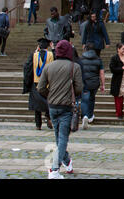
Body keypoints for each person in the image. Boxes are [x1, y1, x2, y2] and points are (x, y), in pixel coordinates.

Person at [37, 40, 83, 179]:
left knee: (59, 138)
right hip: (66, 107)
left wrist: (50, 95)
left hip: (52, 106)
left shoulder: (48, 67)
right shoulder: (74, 67)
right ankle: (54, 170)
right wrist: (70, 94)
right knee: (62, 139)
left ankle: (67, 162)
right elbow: (79, 88)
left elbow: (40, 88)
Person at [23, 38, 54, 130]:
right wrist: (53, 49)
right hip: (49, 84)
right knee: (49, 102)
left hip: (36, 84)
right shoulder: (52, 55)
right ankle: (48, 117)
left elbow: (27, 68)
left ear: (38, 47)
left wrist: (27, 83)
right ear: (48, 46)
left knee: (37, 104)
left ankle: (38, 124)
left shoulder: (33, 55)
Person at [80, 42, 105, 129]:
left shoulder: (81, 59)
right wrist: (103, 84)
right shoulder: (98, 59)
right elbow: (101, 73)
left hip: (84, 82)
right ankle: (90, 115)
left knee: (84, 100)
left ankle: (85, 115)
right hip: (94, 82)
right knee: (92, 98)